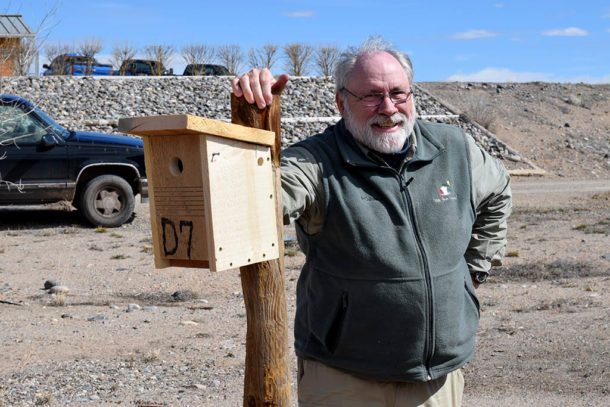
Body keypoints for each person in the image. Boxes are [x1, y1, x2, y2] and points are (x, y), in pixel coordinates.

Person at [232, 37, 512, 407]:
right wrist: (248, 127)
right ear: (341, 101)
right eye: (371, 96)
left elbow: (498, 192)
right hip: (344, 377)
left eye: (399, 93)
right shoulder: (316, 161)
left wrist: (474, 271)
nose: (388, 108)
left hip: (435, 380)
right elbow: (262, 197)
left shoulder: (453, 148)